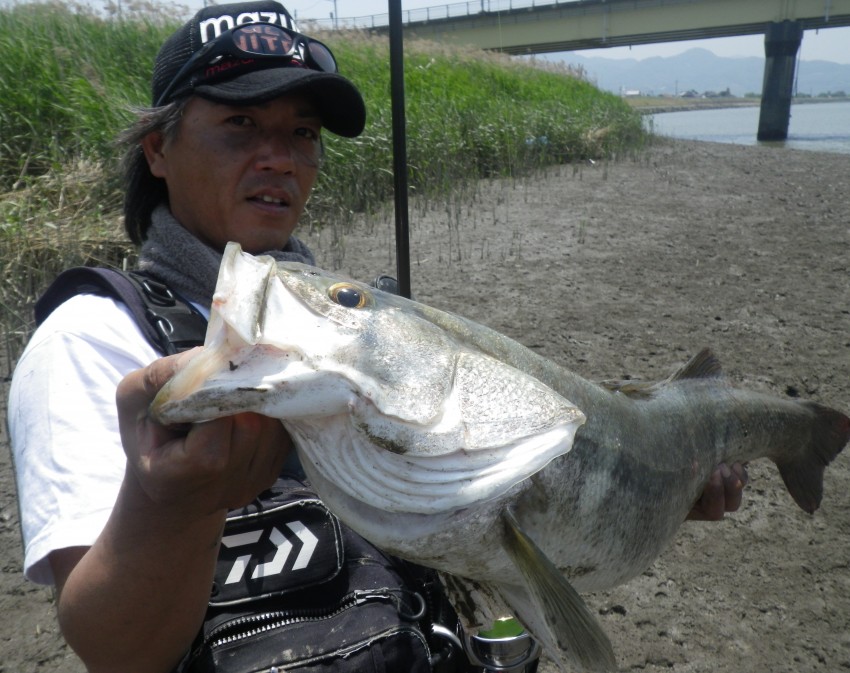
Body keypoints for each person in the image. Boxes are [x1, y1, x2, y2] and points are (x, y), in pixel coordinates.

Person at [7, 3, 748, 672]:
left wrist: (653, 489)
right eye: (240, 125)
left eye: (301, 133)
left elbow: (476, 506)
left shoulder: (342, 325)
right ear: (158, 150)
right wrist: (169, 505)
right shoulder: (93, 338)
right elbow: (113, 648)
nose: (281, 157)